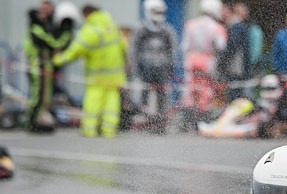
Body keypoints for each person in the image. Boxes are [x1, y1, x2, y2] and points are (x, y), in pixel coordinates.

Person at [53, 5, 127, 138]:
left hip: (96, 77)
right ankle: (109, 131)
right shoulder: (112, 26)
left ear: (87, 14)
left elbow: (75, 50)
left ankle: (90, 130)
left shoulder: (90, 29)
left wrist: (58, 59)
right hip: (114, 77)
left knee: (93, 104)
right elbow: (124, 46)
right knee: (111, 105)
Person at [23, 1, 69, 132]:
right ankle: (33, 121)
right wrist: (66, 32)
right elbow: (53, 43)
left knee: (44, 96)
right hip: (38, 67)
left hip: (43, 66)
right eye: (41, 12)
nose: (43, 15)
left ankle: (39, 120)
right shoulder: (37, 29)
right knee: (37, 95)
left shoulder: (44, 26)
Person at [130, 0, 177, 128]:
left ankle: (160, 122)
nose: (158, 15)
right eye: (156, 12)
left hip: (162, 68)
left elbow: (172, 50)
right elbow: (134, 50)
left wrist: (171, 67)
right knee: (144, 94)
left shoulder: (167, 30)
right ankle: (145, 120)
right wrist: (136, 67)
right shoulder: (141, 29)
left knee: (162, 95)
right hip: (145, 68)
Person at [181, 0, 227, 117]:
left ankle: (188, 117)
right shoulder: (217, 27)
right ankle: (202, 116)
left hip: (191, 60)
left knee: (190, 90)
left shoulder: (190, 24)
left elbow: (185, 46)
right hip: (207, 62)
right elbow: (221, 46)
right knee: (206, 91)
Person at [219, 2, 251, 102]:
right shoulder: (238, 26)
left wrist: (222, 63)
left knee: (235, 96)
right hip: (239, 68)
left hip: (235, 69)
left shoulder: (236, 27)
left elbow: (232, 48)